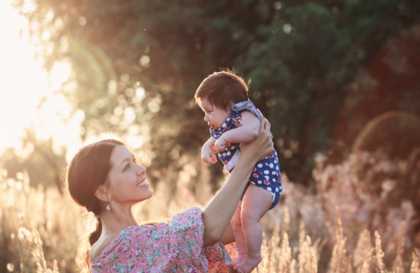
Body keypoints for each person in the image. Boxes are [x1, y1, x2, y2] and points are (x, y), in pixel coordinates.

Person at [66, 116, 274, 272]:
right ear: (102, 191)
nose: (141, 169)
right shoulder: (114, 247)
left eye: (135, 161)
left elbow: (225, 228)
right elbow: (208, 231)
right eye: (126, 167)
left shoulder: (148, 234)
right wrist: (246, 161)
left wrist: (254, 156)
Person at [194, 70, 282, 273]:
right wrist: (207, 148)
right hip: (246, 183)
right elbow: (211, 140)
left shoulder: (245, 112)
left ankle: (253, 255)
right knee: (236, 220)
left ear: (230, 105)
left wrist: (226, 138)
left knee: (248, 216)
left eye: (208, 111)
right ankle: (242, 254)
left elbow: (252, 131)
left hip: (264, 182)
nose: (206, 117)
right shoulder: (221, 127)